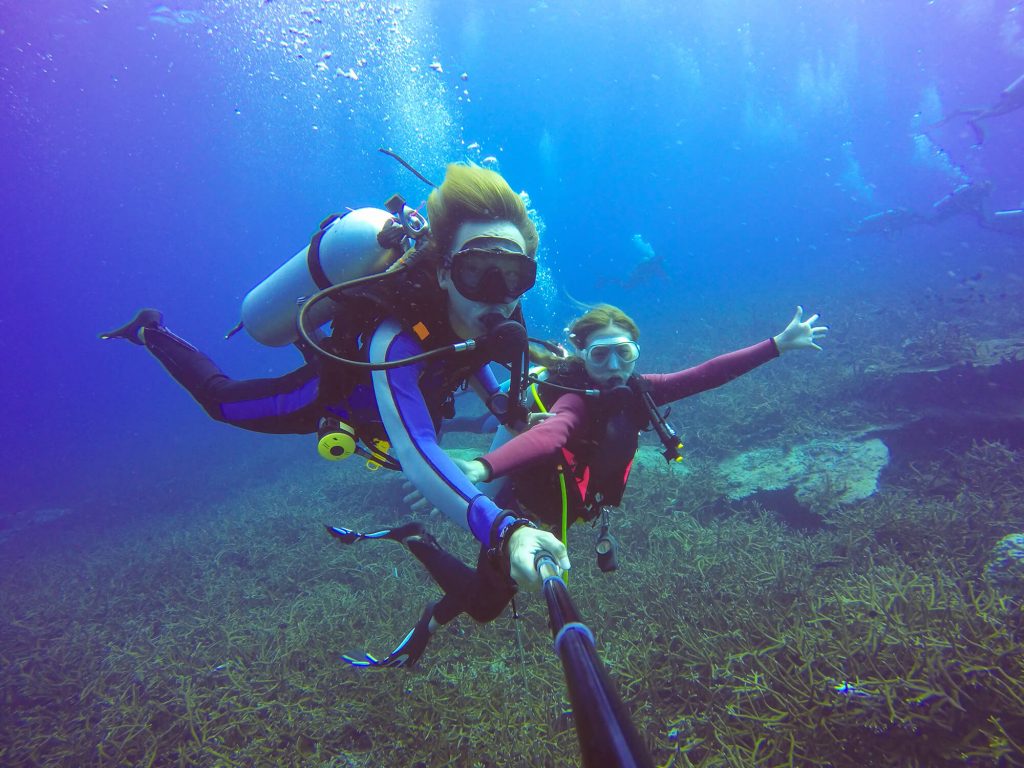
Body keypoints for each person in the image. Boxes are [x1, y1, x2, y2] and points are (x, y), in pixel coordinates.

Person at [101, 163, 570, 603]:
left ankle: (309, 337)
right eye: (476, 271)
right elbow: (416, 449)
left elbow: (469, 352)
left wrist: (501, 403)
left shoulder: (498, 312)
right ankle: (152, 331)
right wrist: (505, 530)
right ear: (445, 272)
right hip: (338, 397)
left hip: (402, 396)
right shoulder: (397, 343)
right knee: (220, 403)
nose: (498, 292)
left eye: (513, 275)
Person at [330, 303, 827, 667]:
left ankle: (430, 617)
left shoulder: (640, 392)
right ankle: (417, 538)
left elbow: (704, 375)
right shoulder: (574, 399)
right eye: (600, 356)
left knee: (490, 592)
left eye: (624, 354)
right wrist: (483, 469)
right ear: (583, 357)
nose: (613, 368)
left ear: (636, 353)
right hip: (526, 515)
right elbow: (552, 433)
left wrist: (777, 345)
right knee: (485, 605)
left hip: (564, 513)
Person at [933, 72, 1024, 147]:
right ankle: (973, 119)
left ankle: (963, 114)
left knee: (993, 110)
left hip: (1013, 95)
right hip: (1016, 97)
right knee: (996, 112)